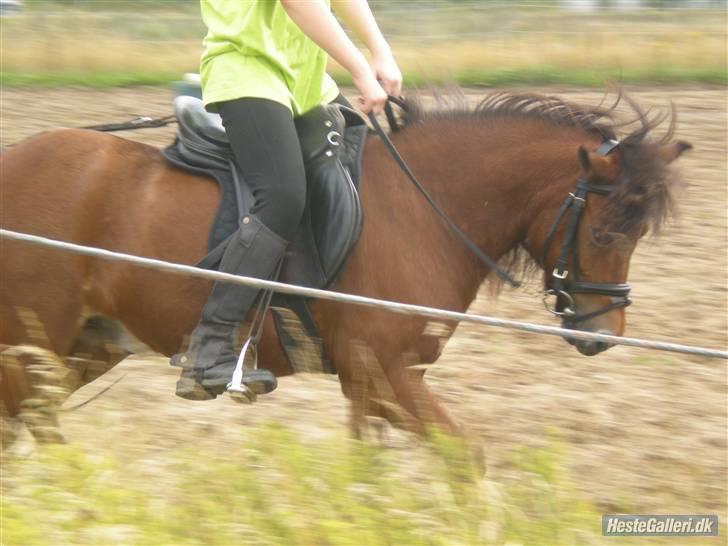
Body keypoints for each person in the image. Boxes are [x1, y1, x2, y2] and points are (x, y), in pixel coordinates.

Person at [173, 0, 402, 400]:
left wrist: (379, 49)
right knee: (283, 195)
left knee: (362, 174)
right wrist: (361, 68)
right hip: (248, 70)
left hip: (304, 81)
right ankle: (209, 347)